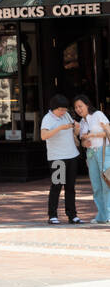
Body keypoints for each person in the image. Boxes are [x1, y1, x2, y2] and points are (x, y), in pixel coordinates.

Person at [41, 94, 82, 225]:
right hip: (57, 158)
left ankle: (72, 215)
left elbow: (74, 133)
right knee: (57, 186)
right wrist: (59, 128)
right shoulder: (47, 119)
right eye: (61, 110)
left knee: (70, 187)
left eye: (65, 109)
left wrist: (76, 128)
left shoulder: (66, 115)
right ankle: (52, 215)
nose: (63, 112)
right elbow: (43, 136)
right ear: (54, 108)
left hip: (72, 155)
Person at [76, 94, 110, 224]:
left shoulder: (98, 115)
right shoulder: (82, 123)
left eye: (81, 106)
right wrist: (85, 142)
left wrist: (93, 134)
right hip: (91, 154)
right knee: (96, 186)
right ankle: (101, 215)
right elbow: (82, 141)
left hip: (103, 151)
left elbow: (108, 131)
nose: (79, 109)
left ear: (87, 105)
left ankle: (109, 214)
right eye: (76, 107)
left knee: (107, 183)